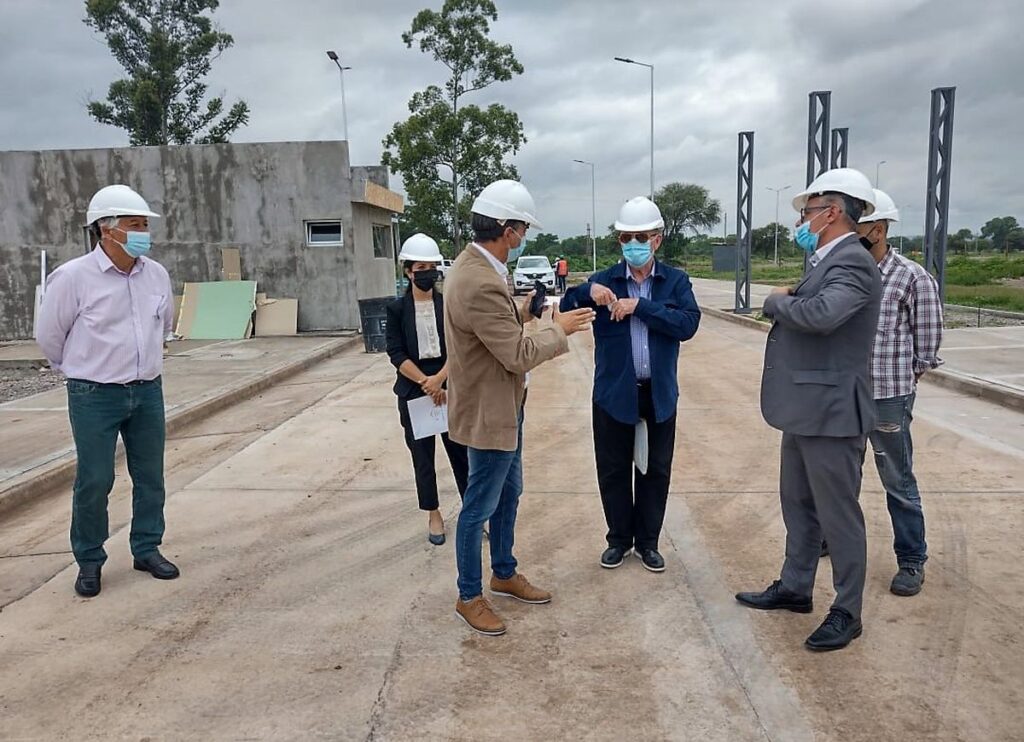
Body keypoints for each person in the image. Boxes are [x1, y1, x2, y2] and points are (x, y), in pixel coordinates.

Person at [735, 168, 881, 652]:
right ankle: (796, 587)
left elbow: (821, 316)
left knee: (838, 516)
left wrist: (778, 302)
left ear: (833, 211)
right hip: (805, 407)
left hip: (833, 411)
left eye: (808, 210)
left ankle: (847, 610)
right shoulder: (828, 260)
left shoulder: (854, 263)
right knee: (798, 505)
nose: (803, 218)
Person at [444, 179, 596, 636]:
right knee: (479, 506)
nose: (525, 235)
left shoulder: (481, 268)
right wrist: (559, 329)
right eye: (523, 228)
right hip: (490, 411)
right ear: (508, 229)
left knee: (510, 492)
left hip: (506, 404)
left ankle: (504, 571)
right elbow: (517, 355)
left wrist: (527, 316)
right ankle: (470, 595)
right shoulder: (477, 279)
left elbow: (497, 336)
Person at [36, 184, 179, 598]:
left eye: (144, 226)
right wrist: (80, 372)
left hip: (147, 391)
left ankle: (147, 548)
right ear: (106, 229)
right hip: (94, 395)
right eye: (134, 225)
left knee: (150, 477)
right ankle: (89, 560)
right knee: (95, 479)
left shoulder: (156, 274)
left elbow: (164, 324)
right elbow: (49, 336)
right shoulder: (73, 277)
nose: (143, 233)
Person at [560, 197, 701, 573]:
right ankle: (619, 539)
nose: (632, 244)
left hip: (658, 393)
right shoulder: (604, 280)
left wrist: (641, 307)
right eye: (625, 237)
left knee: (655, 469)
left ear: (656, 239)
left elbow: (687, 325)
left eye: (640, 237)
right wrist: (584, 292)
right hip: (613, 392)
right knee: (613, 468)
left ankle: (648, 542)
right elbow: (565, 305)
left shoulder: (675, 281)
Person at [856, 188, 943, 596]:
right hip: (845, 394)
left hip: (888, 395)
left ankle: (911, 559)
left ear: (877, 228)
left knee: (897, 480)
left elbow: (927, 346)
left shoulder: (911, 277)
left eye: (855, 224)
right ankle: (831, 539)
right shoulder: (843, 272)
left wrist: (900, 382)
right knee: (839, 475)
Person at [385, 233, 469, 546]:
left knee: (462, 454)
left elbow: (460, 345)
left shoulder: (446, 304)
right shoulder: (396, 310)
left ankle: (472, 511)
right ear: (408, 271)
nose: (428, 273)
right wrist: (426, 382)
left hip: (449, 387)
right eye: (421, 267)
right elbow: (395, 352)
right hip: (414, 389)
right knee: (423, 458)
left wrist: (441, 379)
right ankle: (433, 513)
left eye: (432, 267)